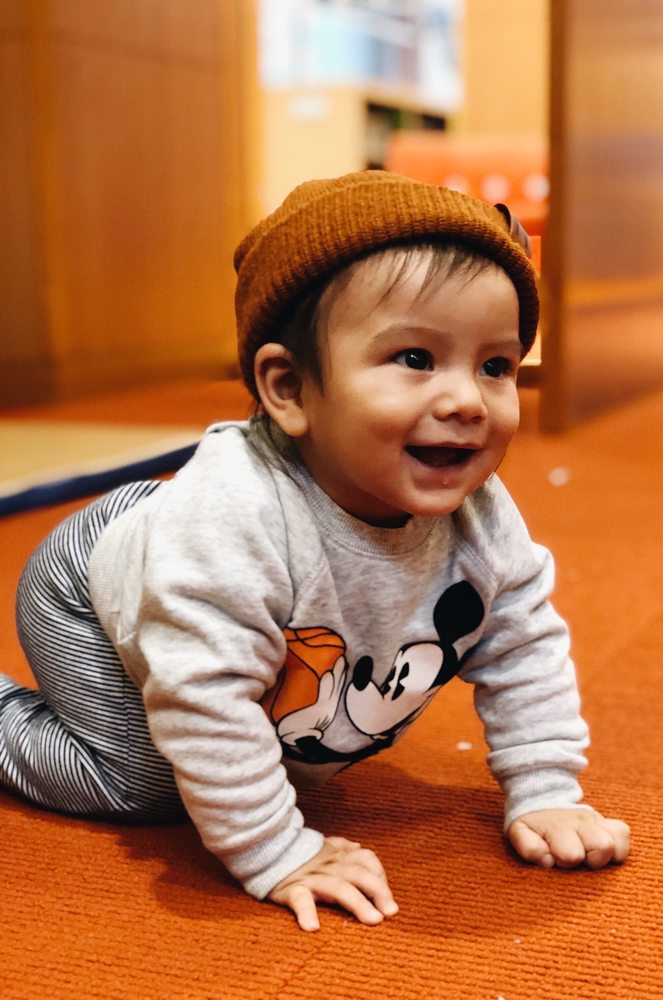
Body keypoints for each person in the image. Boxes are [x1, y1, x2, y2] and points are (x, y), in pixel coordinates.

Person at [0, 170, 630, 932]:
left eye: (495, 366)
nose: (468, 400)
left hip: (208, 565)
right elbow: (203, 697)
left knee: (277, 750)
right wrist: (273, 849)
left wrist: (546, 788)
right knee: (147, 782)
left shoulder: (482, 518)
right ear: (290, 388)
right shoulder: (237, 516)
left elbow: (524, 644)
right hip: (97, 594)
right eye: (416, 359)